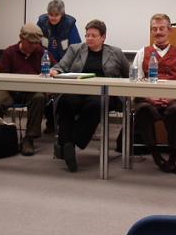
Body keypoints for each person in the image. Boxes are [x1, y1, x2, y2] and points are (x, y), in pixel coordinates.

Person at [51, 19, 129, 172]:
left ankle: (69, 143)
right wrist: (55, 71)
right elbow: (60, 66)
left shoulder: (116, 52)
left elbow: (129, 74)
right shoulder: (75, 49)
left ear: (103, 37)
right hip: (78, 90)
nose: (89, 39)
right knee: (65, 102)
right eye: (87, 35)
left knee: (95, 105)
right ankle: (69, 147)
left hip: (104, 93)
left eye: (93, 35)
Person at [131, 13, 176, 175]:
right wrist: (149, 97)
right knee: (143, 110)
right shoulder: (141, 53)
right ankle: (156, 156)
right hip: (148, 100)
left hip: (173, 99)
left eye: (162, 28)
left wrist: (171, 97)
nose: (158, 32)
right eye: (154, 29)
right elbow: (135, 82)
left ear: (169, 30)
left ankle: (173, 157)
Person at [0, 23, 55, 156]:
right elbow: (3, 75)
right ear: (21, 38)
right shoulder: (9, 52)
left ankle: (29, 138)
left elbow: (56, 67)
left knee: (39, 98)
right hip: (10, 90)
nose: (34, 46)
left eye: (37, 43)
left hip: (32, 91)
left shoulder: (42, 52)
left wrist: (53, 71)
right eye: (31, 43)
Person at [37, 0, 81, 134]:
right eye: (50, 15)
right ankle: (50, 122)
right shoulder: (42, 22)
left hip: (64, 66)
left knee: (61, 95)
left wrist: (61, 67)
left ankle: (63, 124)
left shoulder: (70, 24)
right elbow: (36, 42)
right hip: (45, 64)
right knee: (44, 93)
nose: (53, 18)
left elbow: (76, 48)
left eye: (56, 15)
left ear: (62, 14)